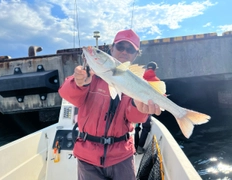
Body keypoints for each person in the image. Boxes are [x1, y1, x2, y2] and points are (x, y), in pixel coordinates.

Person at [58, 29, 161, 180]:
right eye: (120, 47)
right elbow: (68, 95)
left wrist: (140, 108)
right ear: (112, 48)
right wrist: (78, 83)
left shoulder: (137, 81)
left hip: (121, 157)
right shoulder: (89, 74)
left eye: (130, 49)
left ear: (136, 54)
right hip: (87, 158)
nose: (124, 52)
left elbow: (135, 117)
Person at [134, 61, 160, 154]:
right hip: (147, 107)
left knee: (136, 128)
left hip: (137, 106)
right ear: (155, 69)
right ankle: (140, 148)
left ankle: (134, 147)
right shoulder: (156, 80)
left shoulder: (140, 77)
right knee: (146, 127)